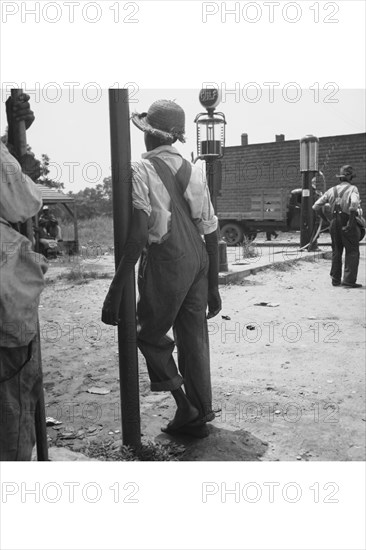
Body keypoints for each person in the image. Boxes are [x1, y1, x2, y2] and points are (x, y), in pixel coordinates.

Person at [102, 99, 221, 438]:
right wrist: (212, 287)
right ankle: (200, 413)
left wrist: (115, 292)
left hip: (167, 260)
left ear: (149, 136)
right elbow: (210, 230)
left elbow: (138, 234)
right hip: (198, 259)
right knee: (194, 337)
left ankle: (185, 405)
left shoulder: (139, 170)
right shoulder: (195, 169)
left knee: (148, 334)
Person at [0, 93, 48, 460]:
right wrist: (13, 149)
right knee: (13, 404)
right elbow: (24, 202)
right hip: (7, 312)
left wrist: (12, 141)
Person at [312, 165, 362, 288]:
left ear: (340, 178)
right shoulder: (353, 189)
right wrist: (351, 221)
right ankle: (349, 281)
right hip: (347, 221)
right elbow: (354, 203)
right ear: (350, 177)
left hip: (334, 222)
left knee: (336, 251)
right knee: (352, 251)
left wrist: (325, 220)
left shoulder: (331, 190)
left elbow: (316, 206)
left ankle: (335, 279)